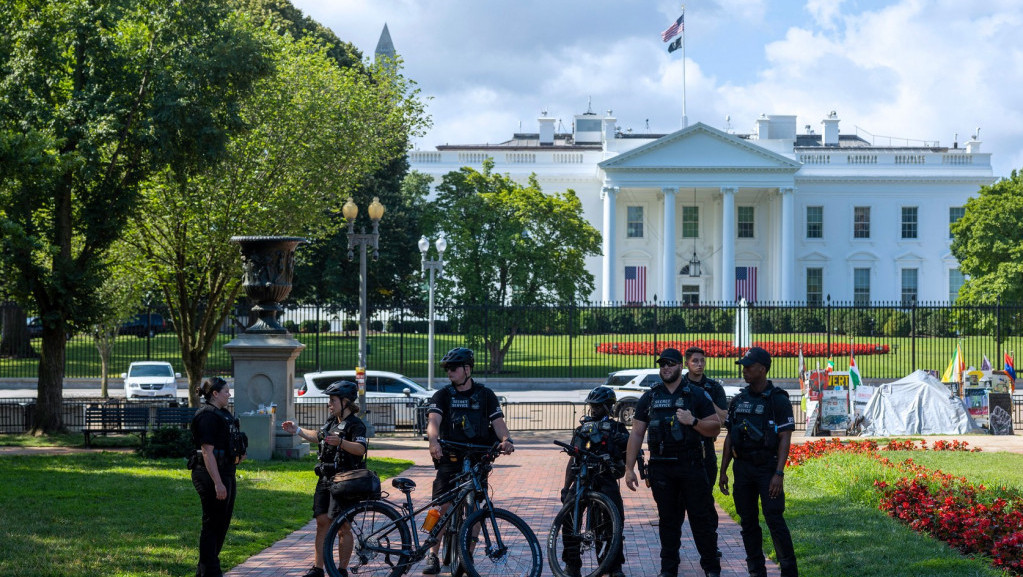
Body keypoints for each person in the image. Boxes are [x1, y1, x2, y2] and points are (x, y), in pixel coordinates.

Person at [624, 347, 722, 577]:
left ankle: (711, 568)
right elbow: (637, 433)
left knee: (701, 520)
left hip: (691, 465)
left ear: (680, 366)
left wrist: (693, 420)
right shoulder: (651, 396)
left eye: (670, 363)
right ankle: (668, 570)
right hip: (661, 468)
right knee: (668, 522)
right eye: (662, 364)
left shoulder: (696, 394)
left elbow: (715, 426)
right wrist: (629, 469)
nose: (665, 367)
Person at [423, 347, 514, 575]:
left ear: (467, 369)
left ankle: (468, 554)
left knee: (475, 509)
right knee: (440, 507)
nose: (449, 373)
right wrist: (433, 441)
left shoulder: (485, 395)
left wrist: (506, 439)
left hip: (477, 459)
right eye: (447, 369)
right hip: (450, 457)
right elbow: (433, 421)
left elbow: (498, 423)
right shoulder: (443, 395)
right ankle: (431, 553)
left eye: (453, 368)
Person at [719, 347, 798, 577]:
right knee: (748, 522)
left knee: (774, 520)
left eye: (748, 366)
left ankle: (789, 572)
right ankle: (756, 571)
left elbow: (785, 437)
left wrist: (778, 473)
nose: (744, 370)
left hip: (767, 469)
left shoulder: (778, 400)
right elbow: (730, 436)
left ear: (762, 369)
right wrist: (723, 471)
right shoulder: (739, 400)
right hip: (743, 469)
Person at [282, 381, 368, 577]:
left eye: (333, 400)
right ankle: (317, 569)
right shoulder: (332, 421)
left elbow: (360, 449)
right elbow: (319, 436)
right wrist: (297, 430)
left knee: (343, 525)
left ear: (345, 402)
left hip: (346, 480)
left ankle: (342, 570)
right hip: (325, 478)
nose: (329, 404)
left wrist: (341, 442)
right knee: (322, 521)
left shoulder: (356, 425)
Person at [559, 386, 629, 577]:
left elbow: (626, 459)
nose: (594, 410)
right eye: (592, 406)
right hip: (582, 478)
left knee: (614, 522)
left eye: (598, 406)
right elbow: (572, 460)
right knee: (568, 518)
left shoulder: (617, 429)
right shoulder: (582, 430)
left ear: (608, 407)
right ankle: (572, 565)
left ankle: (613, 566)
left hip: (605, 479)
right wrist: (566, 488)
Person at [190, 377, 246, 577]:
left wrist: (239, 450)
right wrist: (218, 483)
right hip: (210, 475)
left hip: (227, 472)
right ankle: (211, 572)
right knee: (213, 523)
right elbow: (207, 452)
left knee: (221, 524)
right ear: (215, 393)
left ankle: (204, 571)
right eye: (226, 391)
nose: (229, 395)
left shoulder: (224, 415)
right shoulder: (207, 416)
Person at [681, 346, 729, 487]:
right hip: (683, 448)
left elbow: (723, 420)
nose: (700, 364)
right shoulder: (680, 386)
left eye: (702, 361)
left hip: (706, 448)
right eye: (695, 361)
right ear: (686, 363)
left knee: (705, 499)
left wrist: (705, 399)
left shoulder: (714, 387)